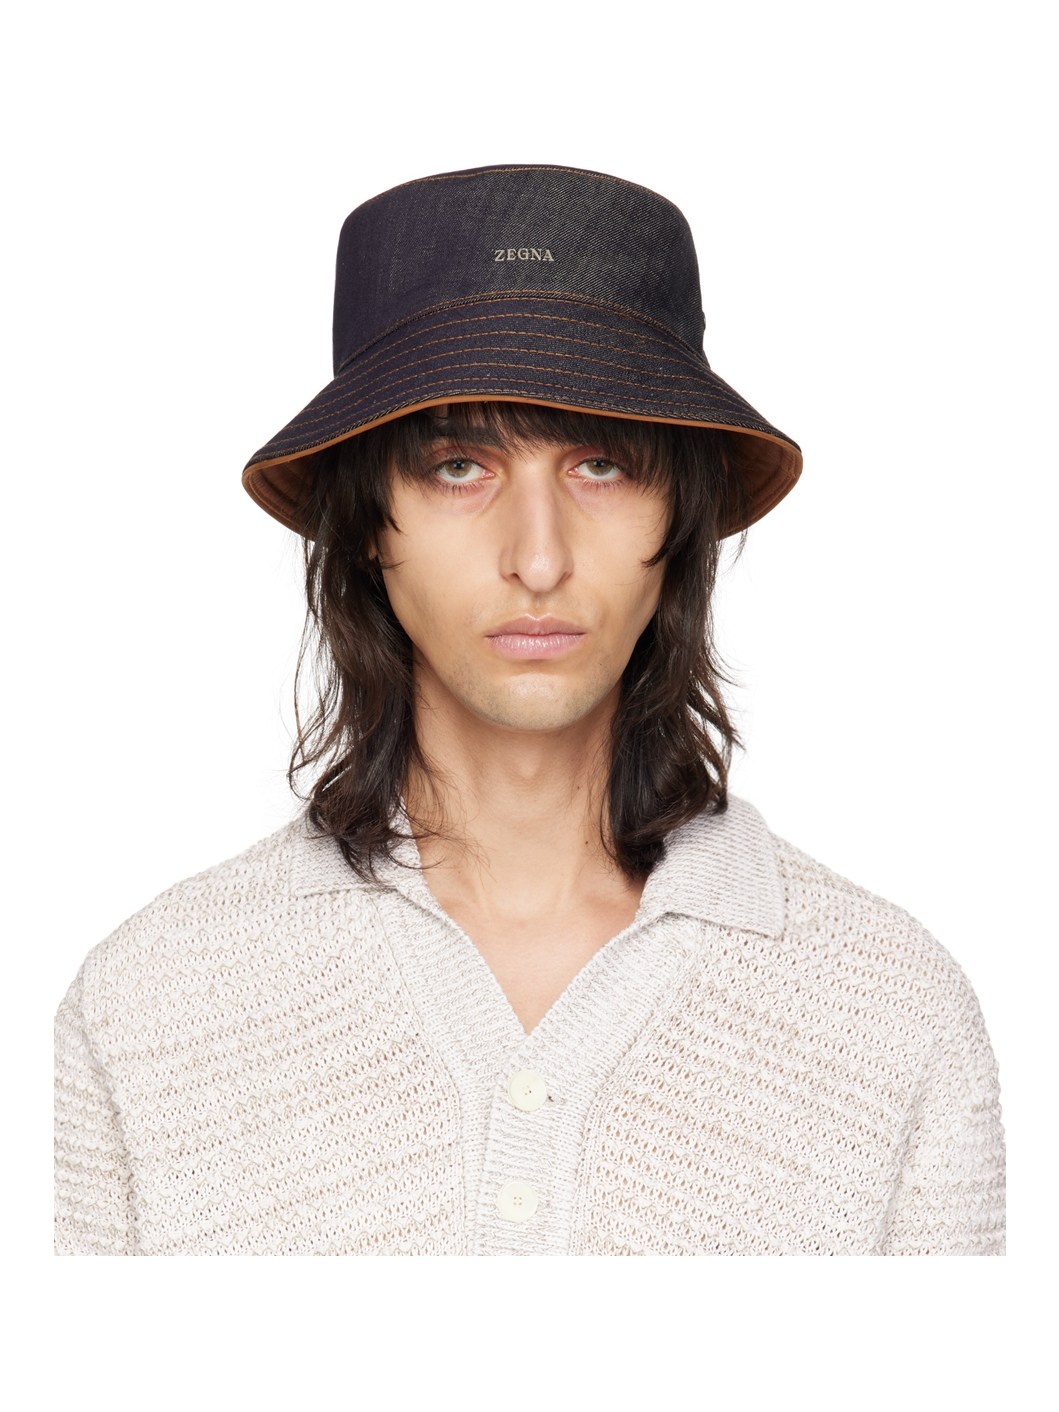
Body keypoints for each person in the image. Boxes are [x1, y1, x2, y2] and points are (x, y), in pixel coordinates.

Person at [54, 163, 1006, 1256]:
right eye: (459, 465)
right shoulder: (148, 1004)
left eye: (602, 464)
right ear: (365, 521)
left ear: (681, 516)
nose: (539, 559)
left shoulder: (892, 1013)